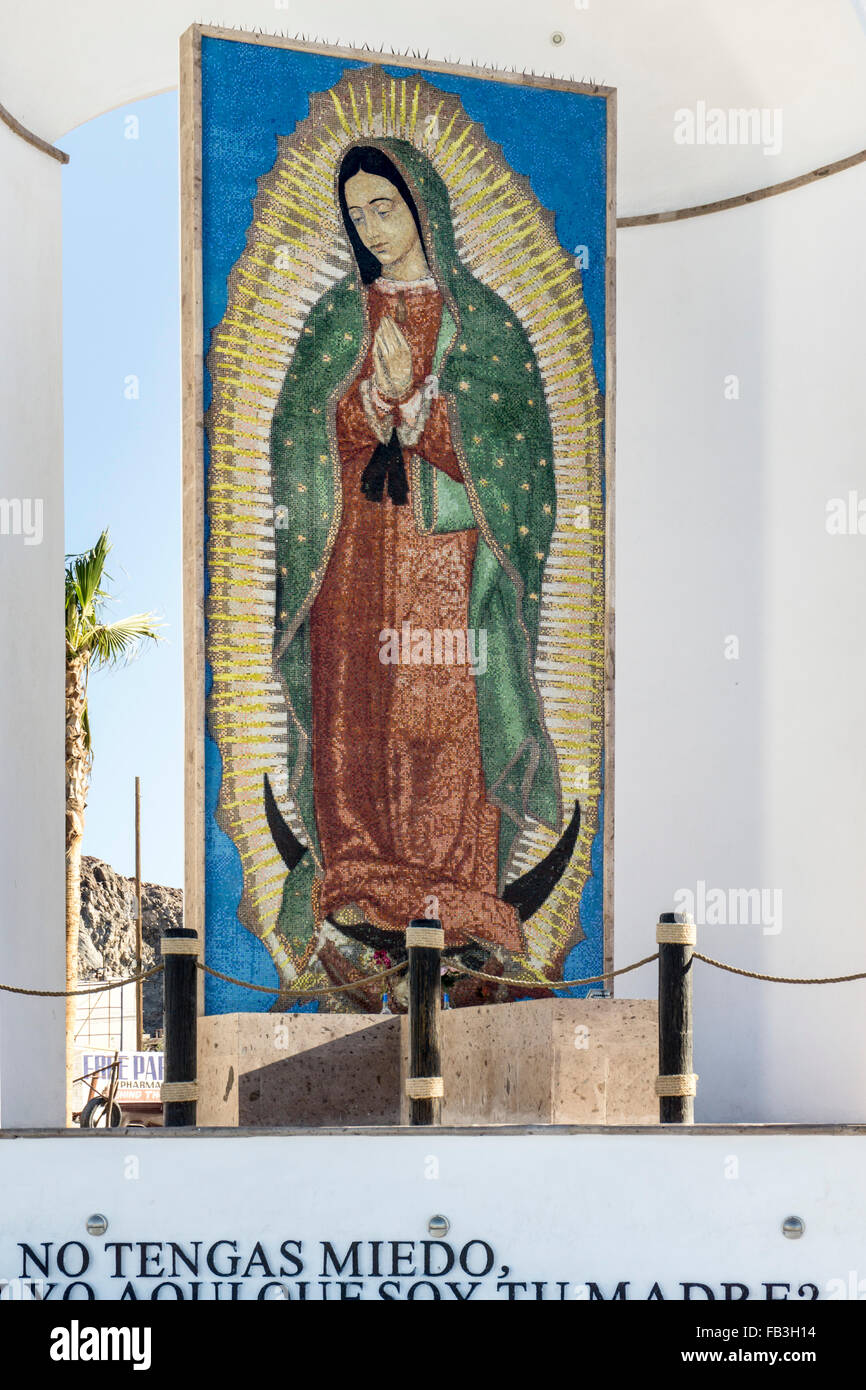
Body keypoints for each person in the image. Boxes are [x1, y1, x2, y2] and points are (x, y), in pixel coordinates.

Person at [270, 139, 561, 967]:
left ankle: (458, 892)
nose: (371, 228)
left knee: (443, 711)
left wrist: (427, 409)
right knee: (360, 702)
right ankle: (359, 877)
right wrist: (366, 404)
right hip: (355, 558)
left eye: (384, 208)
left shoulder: (486, 326)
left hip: (447, 559)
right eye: (357, 215)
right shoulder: (338, 321)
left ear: (422, 205)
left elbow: (523, 464)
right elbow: (294, 441)